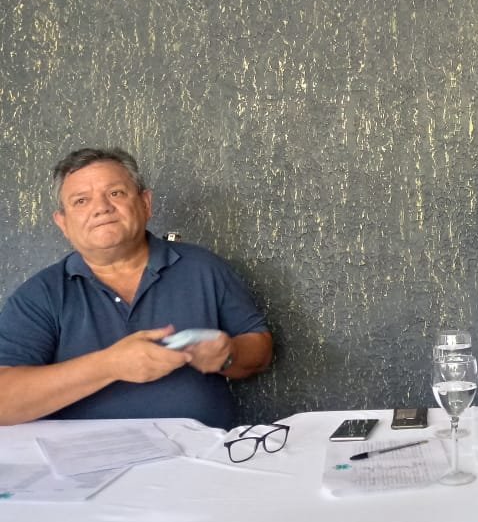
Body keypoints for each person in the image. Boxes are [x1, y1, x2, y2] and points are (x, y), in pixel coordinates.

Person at [0, 148, 273, 430]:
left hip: (201, 451)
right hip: (86, 456)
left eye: (115, 193)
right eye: (81, 200)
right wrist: (109, 365)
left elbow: (261, 349)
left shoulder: (202, 267)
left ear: (145, 204)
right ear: (63, 223)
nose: (101, 207)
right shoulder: (41, 294)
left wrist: (229, 354)